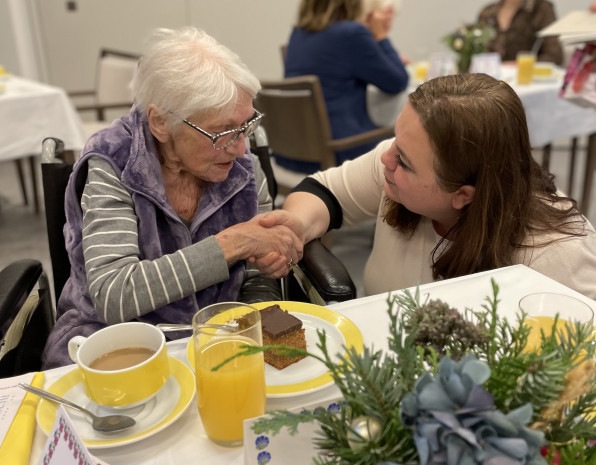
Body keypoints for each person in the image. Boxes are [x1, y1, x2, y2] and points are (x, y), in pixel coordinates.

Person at [42, 27, 303, 368]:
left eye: (246, 126)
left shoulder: (243, 169)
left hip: (216, 340)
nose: (241, 148)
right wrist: (233, 244)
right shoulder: (114, 166)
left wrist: (264, 276)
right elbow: (113, 295)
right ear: (161, 123)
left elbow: (257, 278)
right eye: (223, 133)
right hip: (112, 346)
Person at [258, 73, 596, 299]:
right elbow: (323, 192)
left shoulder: (560, 258)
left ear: (463, 195)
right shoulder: (393, 167)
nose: (386, 160)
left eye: (404, 162)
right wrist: (298, 226)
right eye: (395, 141)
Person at [279, 0, 409, 174]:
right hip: (342, 151)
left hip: (294, 152)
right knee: (410, 137)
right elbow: (397, 82)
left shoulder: (298, 34)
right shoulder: (351, 33)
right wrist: (381, 35)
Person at [477, 0, 564, 65]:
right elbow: (476, 52)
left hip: (528, 82)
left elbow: (554, 56)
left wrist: (519, 65)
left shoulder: (541, 9)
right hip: (489, 83)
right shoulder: (487, 12)